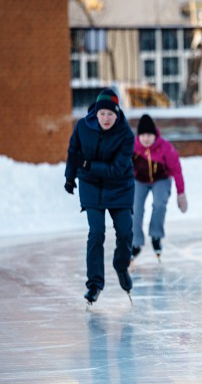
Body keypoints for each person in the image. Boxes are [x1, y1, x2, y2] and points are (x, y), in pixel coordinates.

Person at [64, 88, 136, 304]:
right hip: (91, 186)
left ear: (117, 114)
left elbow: (116, 169)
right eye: (102, 113)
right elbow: (74, 152)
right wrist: (69, 177)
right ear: (96, 112)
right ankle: (94, 284)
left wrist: (87, 165)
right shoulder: (83, 128)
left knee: (125, 232)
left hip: (120, 186)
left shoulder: (126, 135)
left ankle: (121, 266)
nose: (106, 118)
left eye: (111, 114)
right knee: (96, 232)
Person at [131, 113, 188, 260]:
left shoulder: (165, 148)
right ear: (139, 136)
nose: (146, 138)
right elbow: (124, 169)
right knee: (135, 209)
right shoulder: (132, 148)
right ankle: (136, 242)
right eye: (143, 135)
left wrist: (181, 193)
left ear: (155, 134)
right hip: (139, 181)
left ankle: (156, 235)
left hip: (161, 180)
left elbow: (177, 170)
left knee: (159, 204)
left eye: (149, 134)